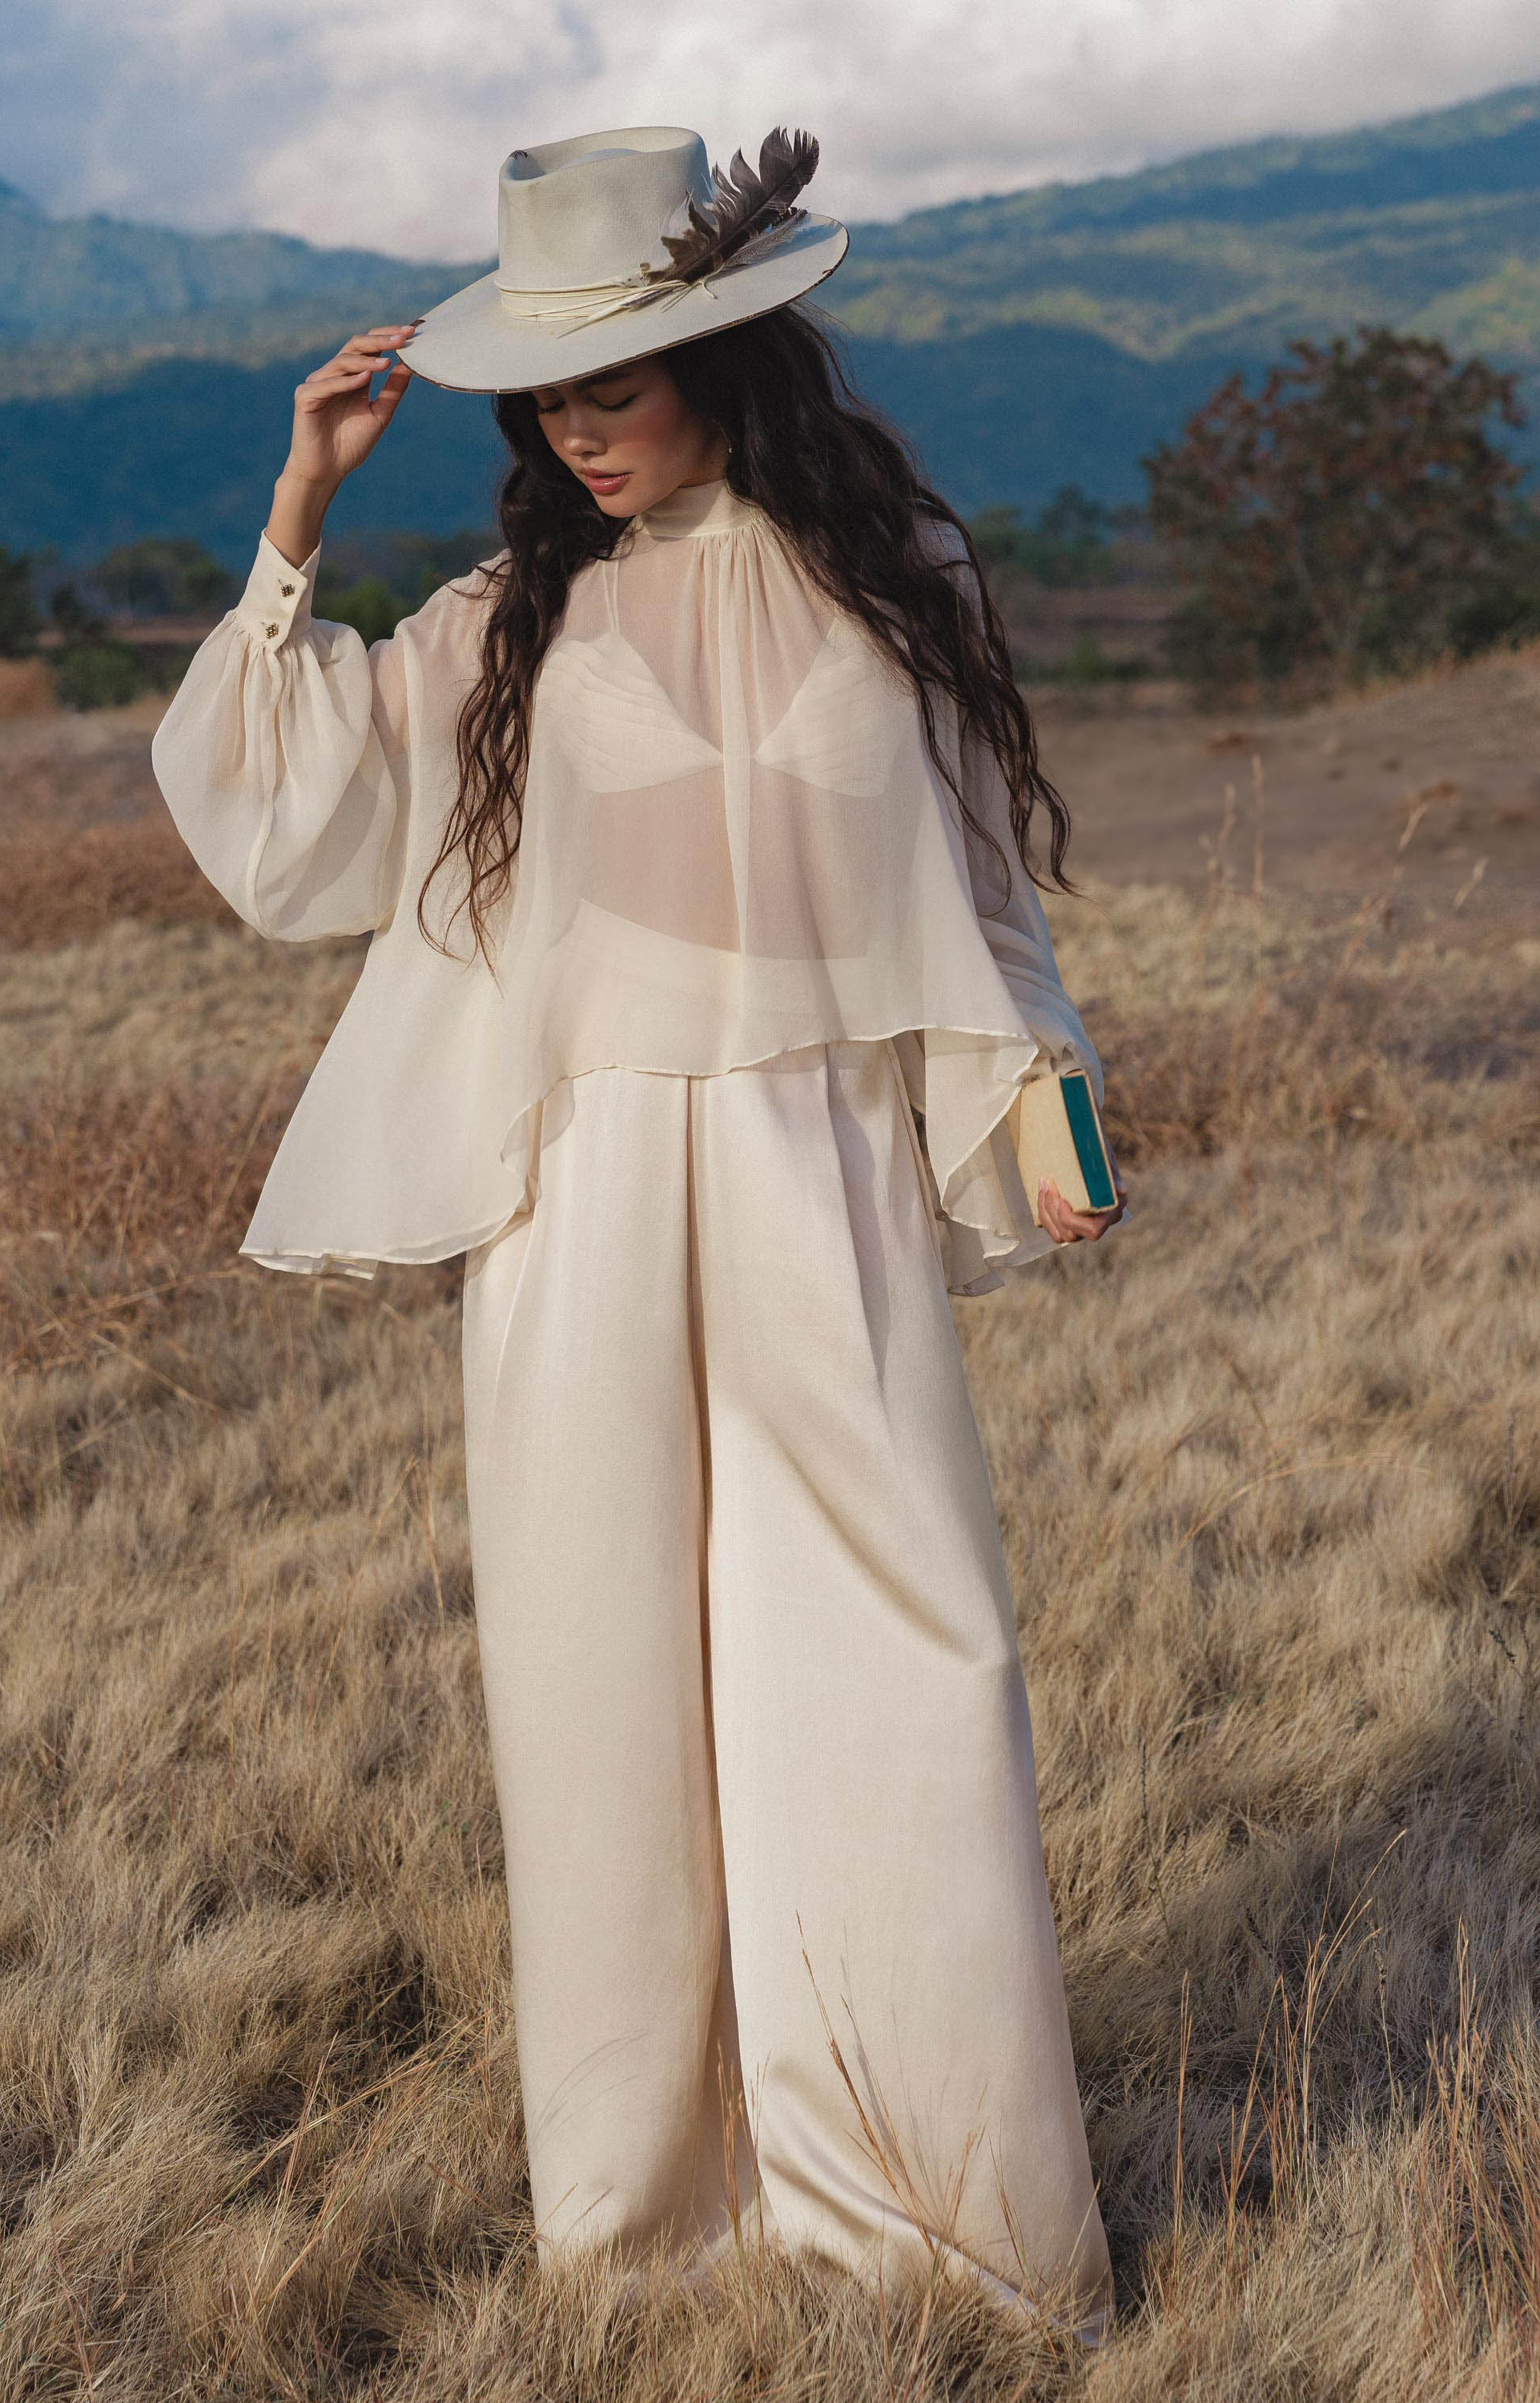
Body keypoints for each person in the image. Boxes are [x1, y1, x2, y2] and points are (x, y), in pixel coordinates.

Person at [152, 122, 1124, 2343]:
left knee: (903, 1658)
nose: (577, 430)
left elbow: (985, 888)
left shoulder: (905, 573)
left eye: (619, 381)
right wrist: (299, 512)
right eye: (549, 398)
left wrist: (1053, 1114)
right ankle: (652, 2219)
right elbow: (284, 821)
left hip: (825, 1172)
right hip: (579, 1193)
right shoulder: (514, 617)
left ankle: (937, 2209)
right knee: (603, 1690)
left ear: (734, 351)